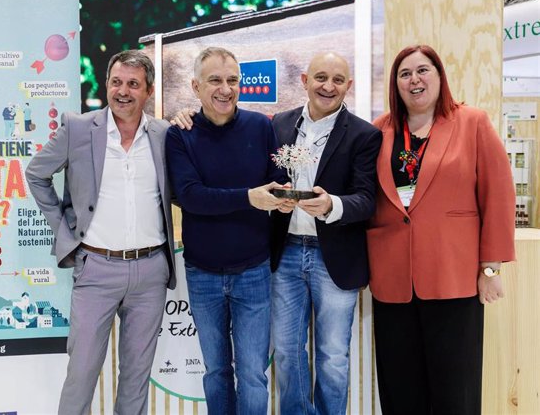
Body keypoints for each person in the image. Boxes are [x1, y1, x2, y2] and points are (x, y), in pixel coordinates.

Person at [367, 44, 516, 414]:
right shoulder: (379, 131)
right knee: (401, 390)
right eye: (404, 73)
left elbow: (497, 196)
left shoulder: (472, 123)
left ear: (439, 75)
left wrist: (491, 267)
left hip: (454, 278)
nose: (414, 79)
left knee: (455, 390)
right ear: (395, 84)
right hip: (393, 282)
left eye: (422, 70)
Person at [25, 50, 176, 415]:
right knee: (81, 375)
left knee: (136, 379)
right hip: (95, 269)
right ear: (107, 84)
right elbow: (36, 173)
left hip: (151, 271)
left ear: (149, 91)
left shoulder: (164, 134)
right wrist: (65, 231)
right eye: (116, 82)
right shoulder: (79, 128)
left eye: (133, 84)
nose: (122, 91)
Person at [165, 46, 292, 415]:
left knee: (253, 374)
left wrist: (283, 196)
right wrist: (250, 197)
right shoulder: (180, 135)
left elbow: (277, 180)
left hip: (253, 271)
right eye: (215, 80)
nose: (225, 88)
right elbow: (191, 197)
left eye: (233, 80)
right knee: (216, 371)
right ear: (195, 86)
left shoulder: (261, 126)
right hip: (203, 273)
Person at [268, 52, 381, 415]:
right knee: (286, 351)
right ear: (304, 80)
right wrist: (274, 200)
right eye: (320, 77)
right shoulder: (278, 125)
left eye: (337, 80)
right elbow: (261, 182)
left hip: (334, 256)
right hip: (284, 253)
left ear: (349, 85)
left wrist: (332, 205)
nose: (328, 86)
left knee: (333, 356)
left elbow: (367, 200)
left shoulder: (365, 135)